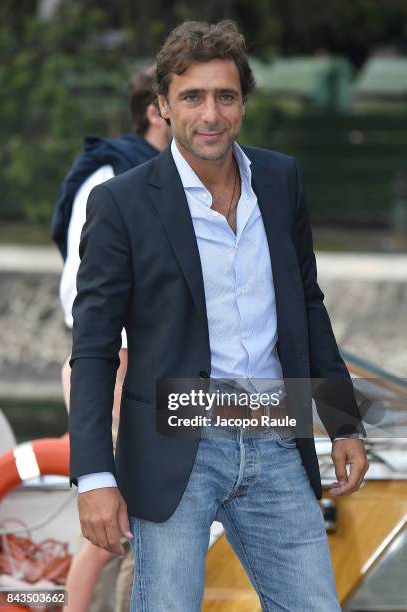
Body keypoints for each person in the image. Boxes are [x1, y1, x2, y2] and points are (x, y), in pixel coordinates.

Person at [69, 20, 369, 611]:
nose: (211, 114)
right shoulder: (120, 204)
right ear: (162, 106)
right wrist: (95, 478)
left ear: (242, 104)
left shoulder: (281, 181)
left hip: (275, 436)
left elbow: (307, 306)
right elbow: (95, 348)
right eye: (192, 97)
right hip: (176, 443)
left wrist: (343, 423)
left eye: (225, 96)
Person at [52, 67, 171, 612]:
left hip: (147, 366)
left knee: (135, 526)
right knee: (117, 527)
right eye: (184, 97)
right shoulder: (113, 177)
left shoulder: (163, 173)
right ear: (156, 110)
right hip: (116, 362)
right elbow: (87, 286)